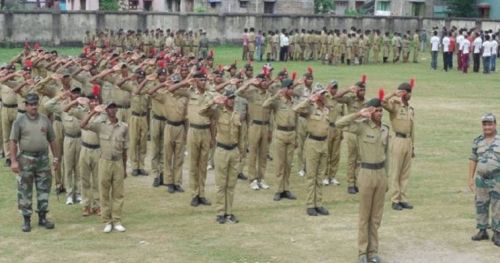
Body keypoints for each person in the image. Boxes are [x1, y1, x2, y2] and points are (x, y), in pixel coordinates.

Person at [336, 98, 389, 263]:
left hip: (381, 174)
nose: (380, 114)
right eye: (377, 111)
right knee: (364, 216)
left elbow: (387, 157)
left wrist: (387, 178)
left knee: (376, 217)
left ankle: (373, 251)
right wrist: (358, 114)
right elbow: (339, 124)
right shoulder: (361, 127)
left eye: (381, 111)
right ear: (371, 112)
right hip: (366, 173)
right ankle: (362, 253)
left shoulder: (385, 130)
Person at [10, 93, 59, 232]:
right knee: (25, 189)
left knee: (44, 188)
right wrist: (13, 161)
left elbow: (52, 139)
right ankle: (26, 219)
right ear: (25, 105)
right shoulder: (19, 121)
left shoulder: (44, 120)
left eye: (35, 104)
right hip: (25, 159)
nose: (33, 107)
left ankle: (43, 217)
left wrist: (56, 158)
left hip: (43, 159)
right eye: (31, 104)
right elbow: (13, 141)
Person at [81, 101, 128, 233]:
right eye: (109, 108)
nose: (112, 110)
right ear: (106, 111)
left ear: (117, 109)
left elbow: (125, 150)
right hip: (104, 161)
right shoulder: (100, 126)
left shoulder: (124, 127)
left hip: (118, 162)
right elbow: (82, 125)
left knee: (118, 193)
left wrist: (124, 167)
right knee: (104, 192)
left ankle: (117, 220)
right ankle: (107, 220)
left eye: (114, 107)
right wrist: (93, 112)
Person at [199, 90, 242, 224]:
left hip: (233, 151)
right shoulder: (218, 112)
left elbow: (240, 134)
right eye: (230, 98)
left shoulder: (237, 114)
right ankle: (220, 212)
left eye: (233, 98)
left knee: (231, 184)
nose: (232, 101)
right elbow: (202, 111)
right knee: (220, 184)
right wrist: (213, 102)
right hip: (222, 150)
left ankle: (229, 212)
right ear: (225, 100)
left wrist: (240, 151)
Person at [293, 85, 331, 216]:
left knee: (320, 176)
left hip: (323, 143)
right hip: (313, 143)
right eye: (322, 94)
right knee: (311, 175)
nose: (325, 97)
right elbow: (295, 109)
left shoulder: (326, 110)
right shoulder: (310, 108)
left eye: (325, 94)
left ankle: (318, 203)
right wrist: (309, 100)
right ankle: (310, 204)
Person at [263, 78, 298, 201]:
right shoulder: (277, 101)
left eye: (293, 88)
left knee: (288, 164)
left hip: (292, 133)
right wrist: (276, 95)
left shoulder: (294, 102)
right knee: (280, 164)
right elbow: (265, 105)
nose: (292, 90)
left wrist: (297, 136)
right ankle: (278, 189)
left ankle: (286, 189)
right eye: (291, 88)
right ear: (285, 89)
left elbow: (297, 120)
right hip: (281, 133)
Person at [468, 113, 500, 247]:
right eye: (485, 124)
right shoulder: (478, 141)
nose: (487, 126)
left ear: (495, 125)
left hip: (497, 179)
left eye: (490, 124)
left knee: (498, 206)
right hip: (481, 179)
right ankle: (482, 230)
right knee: (480, 204)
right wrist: (470, 178)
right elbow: (473, 159)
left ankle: (497, 233)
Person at [382, 83, 415, 211]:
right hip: (397, 139)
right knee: (396, 171)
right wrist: (393, 94)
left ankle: (403, 198)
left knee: (405, 173)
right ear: (403, 93)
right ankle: (395, 199)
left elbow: (413, 130)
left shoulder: (410, 109)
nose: (410, 95)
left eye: (410, 92)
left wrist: (413, 146)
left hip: (407, 140)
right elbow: (383, 102)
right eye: (408, 92)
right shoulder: (395, 105)